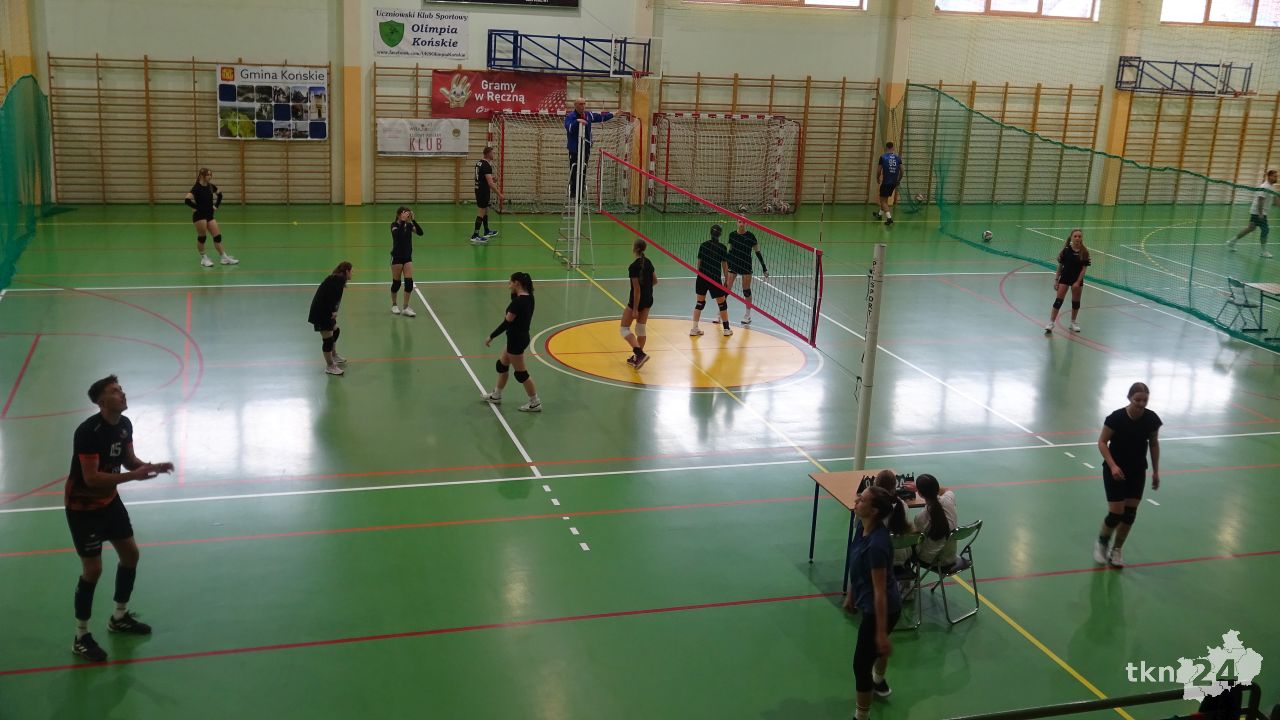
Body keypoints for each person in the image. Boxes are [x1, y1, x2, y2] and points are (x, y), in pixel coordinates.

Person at [66, 375, 174, 662]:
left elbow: (128, 460)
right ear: (102, 401)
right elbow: (91, 479)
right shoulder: (88, 432)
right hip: (83, 508)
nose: (122, 394)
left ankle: (119, 617)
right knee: (93, 570)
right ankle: (81, 637)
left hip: (109, 503)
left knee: (130, 555)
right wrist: (133, 477)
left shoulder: (124, 425)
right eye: (115, 391)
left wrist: (151, 466)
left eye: (121, 389)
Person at [1094, 382, 1162, 568]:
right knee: (1116, 513)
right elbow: (1102, 442)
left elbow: (1154, 444)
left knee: (1130, 514)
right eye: (1137, 400)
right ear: (1129, 398)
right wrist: (1113, 466)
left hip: (1137, 470)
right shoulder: (1116, 418)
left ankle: (1117, 550)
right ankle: (1102, 543)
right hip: (1115, 471)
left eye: (1145, 400)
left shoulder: (1151, 419)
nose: (1141, 404)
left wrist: (1156, 471)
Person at [848, 485, 902, 719]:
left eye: (862, 500)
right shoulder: (862, 527)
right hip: (872, 603)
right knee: (874, 652)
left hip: (883, 609)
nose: (856, 501)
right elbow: (856, 564)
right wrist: (851, 594)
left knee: (861, 665)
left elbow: (880, 592)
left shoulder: (877, 545)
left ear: (875, 511)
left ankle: (861, 717)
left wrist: (880, 633)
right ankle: (878, 682)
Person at [483, 272, 541, 412]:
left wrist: (491, 336)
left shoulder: (517, 303)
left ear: (517, 283)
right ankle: (496, 395)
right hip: (518, 338)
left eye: (511, 282)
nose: (508, 284)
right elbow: (514, 299)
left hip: (516, 341)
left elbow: (506, 323)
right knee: (502, 365)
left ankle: (535, 402)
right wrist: (514, 291)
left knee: (521, 374)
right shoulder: (529, 298)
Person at [184, 168, 239, 267]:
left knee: (217, 236)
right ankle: (204, 258)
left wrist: (216, 206)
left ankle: (223, 257)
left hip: (209, 215)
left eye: (210, 175)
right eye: (207, 175)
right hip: (199, 216)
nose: (210, 176)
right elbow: (187, 200)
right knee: (202, 237)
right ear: (202, 176)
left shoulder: (211, 186)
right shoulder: (196, 187)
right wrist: (197, 207)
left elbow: (220, 195)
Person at [563, 97, 615, 199]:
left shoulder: (588, 115)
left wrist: (613, 114)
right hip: (574, 149)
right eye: (580, 104)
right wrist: (577, 122)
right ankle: (574, 192)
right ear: (575, 105)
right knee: (574, 169)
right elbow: (569, 128)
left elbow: (601, 117)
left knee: (583, 169)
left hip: (585, 147)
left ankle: (581, 191)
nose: (583, 106)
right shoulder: (570, 116)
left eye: (584, 104)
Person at [308, 262, 352, 376]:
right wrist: (332, 311)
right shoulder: (337, 281)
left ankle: (334, 355)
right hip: (321, 313)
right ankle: (330, 366)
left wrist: (334, 311)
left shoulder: (338, 280)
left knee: (335, 331)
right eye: (351, 271)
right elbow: (329, 298)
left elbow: (333, 298)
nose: (352, 274)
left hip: (325, 311)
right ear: (346, 271)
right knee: (327, 341)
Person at [1044, 228, 1092, 334]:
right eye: (1075, 236)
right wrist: (1056, 280)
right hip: (1064, 278)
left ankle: (1073, 322)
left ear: (1081, 238)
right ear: (1071, 237)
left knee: (1076, 302)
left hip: (1077, 280)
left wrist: (1077, 282)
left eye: (1079, 236)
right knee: (1058, 301)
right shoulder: (1065, 251)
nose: (1077, 238)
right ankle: (1051, 323)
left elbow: (1083, 269)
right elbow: (1060, 267)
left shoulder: (1084, 252)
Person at [690, 224, 733, 338]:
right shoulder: (722, 247)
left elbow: (699, 263)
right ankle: (726, 329)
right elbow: (725, 265)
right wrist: (727, 280)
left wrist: (700, 276)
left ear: (710, 233)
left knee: (700, 303)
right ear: (720, 234)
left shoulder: (703, 245)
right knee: (722, 304)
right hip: (714, 279)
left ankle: (694, 328)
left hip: (702, 277)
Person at [726, 217, 769, 325]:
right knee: (726, 288)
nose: (742, 224)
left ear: (747, 224)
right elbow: (729, 251)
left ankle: (747, 315)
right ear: (737, 223)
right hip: (734, 264)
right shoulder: (732, 235)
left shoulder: (751, 236)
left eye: (744, 222)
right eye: (740, 221)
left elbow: (758, 252)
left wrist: (764, 268)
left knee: (746, 290)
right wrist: (727, 265)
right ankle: (720, 312)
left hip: (746, 265)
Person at [622, 238, 658, 369]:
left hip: (637, 301)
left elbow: (636, 290)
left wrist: (635, 309)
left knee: (624, 329)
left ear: (635, 249)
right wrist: (647, 288)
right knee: (640, 328)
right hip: (648, 299)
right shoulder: (648, 262)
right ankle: (638, 358)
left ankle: (640, 354)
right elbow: (655, 281)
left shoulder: (633, 267)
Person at [1227, 169, 1277, 258]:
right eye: (1274, 176)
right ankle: (1263, 251)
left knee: (1250, 228)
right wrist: (1260, 214)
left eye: (1277, 176)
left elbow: (1276, 200)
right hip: (1259, 212)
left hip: (1257, 212)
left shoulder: (1272, 187)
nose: (1276, 178)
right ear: (1269, 176)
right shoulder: (1265, 187)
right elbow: (1260, 200)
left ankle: (1232, 241)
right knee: (1265, 230)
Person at [911, 474, 958, 567]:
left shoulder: (920, 517)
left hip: (932, 559)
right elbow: (945, 490)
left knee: (906, 546)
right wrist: (921, 488)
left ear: (919, 494)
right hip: (951, 556)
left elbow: (914, 535)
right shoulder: (949, 499)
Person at [389, 207, 421, 317]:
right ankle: (394, 305)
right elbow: (397, 236)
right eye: (404, 213)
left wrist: (413, 220)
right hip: (396, 257)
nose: (406, 215)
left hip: (407, 257)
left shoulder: (409, 225)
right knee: (396, 283)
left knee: (409, 283)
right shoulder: (394, 225)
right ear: (399, 215)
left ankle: (406, 307)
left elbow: (420, 233)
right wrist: (402, 221)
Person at [471, 146, 502, 245]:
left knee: (485, 211)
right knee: (481, 212)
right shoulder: (486, 165)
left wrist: (492, 179)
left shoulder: (479, 163)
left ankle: (486, 231)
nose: (494, 154)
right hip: (483, 191)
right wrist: (499, 194)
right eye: (492, 153)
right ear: (488, 154)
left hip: (479, 189)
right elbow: (490, 184)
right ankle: (475, 235)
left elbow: (482, 177)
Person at [873, 142, 903, 227]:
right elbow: (902, 171)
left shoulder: (883, 157)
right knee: (885, 200)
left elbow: (879, 170)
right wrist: (899, 180)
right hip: (893, 182)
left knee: (883, 201)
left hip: (886, 182)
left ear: (886, 147)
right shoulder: (898, 157)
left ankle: (889, 218)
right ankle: (879, 215)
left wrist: (877, 178)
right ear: (893, 148)